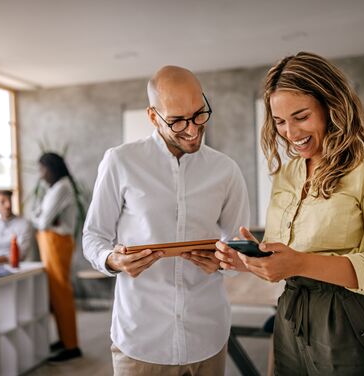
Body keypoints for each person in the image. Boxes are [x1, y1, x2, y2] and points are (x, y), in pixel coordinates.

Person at [215, 52, 364, 375]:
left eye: (301, 117)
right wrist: (249, 260)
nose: (290, 133)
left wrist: (298, 262)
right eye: (280, 121)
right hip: (292, 318)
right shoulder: (288, 174)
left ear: (331, 106)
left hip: (355, 320)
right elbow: (285, 253)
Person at [83, 65, 250, 376]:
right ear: (152, 116)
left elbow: (239, 245)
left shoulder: (226, 170)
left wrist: (228, 260)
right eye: (176, 121)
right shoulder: (120, 162)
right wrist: (113, 260)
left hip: (208, 335)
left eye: (200, 114)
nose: (192, 129)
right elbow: (94, 237)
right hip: (142, 339)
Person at [32, 152, 82, 362]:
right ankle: (64, 340)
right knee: (55, 292)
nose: (41, 175)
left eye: (43, 169)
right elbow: (40, 217)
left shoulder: (61, 187)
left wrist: (39, 217)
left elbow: (40, 221)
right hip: (51, 242)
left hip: (56, 243)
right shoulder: (55, 188)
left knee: (61, 292)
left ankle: (71, 345)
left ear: (52, 168)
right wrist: (40, 217)